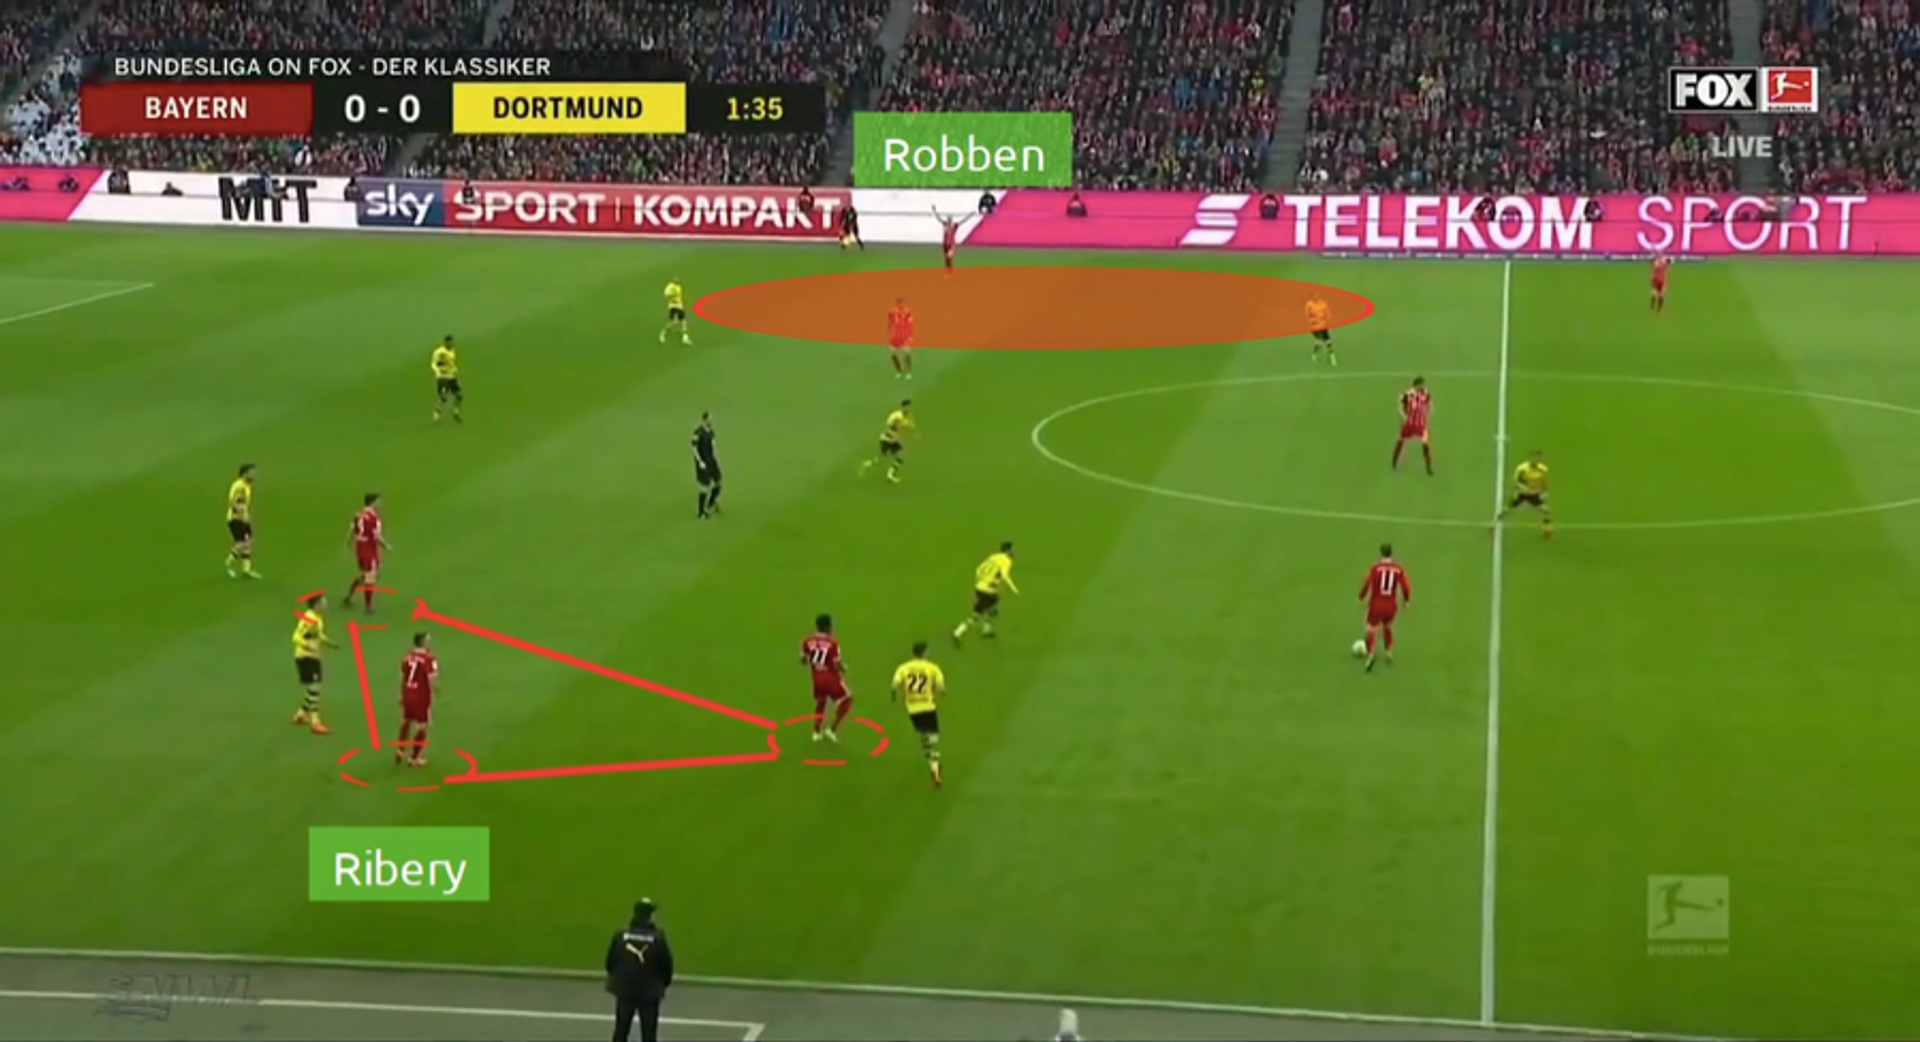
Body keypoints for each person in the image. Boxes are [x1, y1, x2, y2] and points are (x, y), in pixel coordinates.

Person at [605, 899, 674, 1042]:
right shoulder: (658, 938)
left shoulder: (620, 935)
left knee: (621, 1030)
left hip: (625, 989)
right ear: (650, 916)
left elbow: (610, 963)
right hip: (649, 992)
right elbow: (666, 966)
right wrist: (662, 984)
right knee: (649, 1032)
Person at [891, 641, 947, 788]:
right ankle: (935, 767)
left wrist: (895, 695)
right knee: (933, 739)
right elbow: (941, 687)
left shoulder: (904, 668)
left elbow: (895, 684)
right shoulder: (932, 668)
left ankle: (932, 765)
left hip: (913, 709)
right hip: (928, 707)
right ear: (925, 652)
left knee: (924, 738)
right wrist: (939, 692)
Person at [1358, 545, 1410, 673]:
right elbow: (1405, 585)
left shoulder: (1375, 568)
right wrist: (1406, 600)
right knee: (1387, 626)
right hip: (1391, 605)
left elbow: (1367, 583)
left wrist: (1361, 596)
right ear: (1391, 554)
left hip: (1376, 604)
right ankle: (1389, 652)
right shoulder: (1398, 569)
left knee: (1371, 628)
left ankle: (1371, 653)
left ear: (1381, 553)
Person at [953, 541, 1017, 644]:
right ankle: (960, 632)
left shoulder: (993, 557)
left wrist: (982, 580)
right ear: (1008, 550)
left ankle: (985, 629)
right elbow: (1004, 575)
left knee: (989, 608)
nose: (1013, 551)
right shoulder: (1006, 560)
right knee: (983, 613)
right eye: (1012, 549)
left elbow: (979, 569)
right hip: (989, 591)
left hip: (979, 587)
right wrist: (1013, 588)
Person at [1495, 450, 1553, 539]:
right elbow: (1515, 481)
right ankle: (1493, 525)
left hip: (1534, 494)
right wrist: (1523, 489)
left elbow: (1544, 482)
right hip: (1522, 493)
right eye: (1533, 458)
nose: (1535, 460)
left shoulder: (1543, 469)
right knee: (1508, 510)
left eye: (1537, 458)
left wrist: (1544, 492)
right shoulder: (1522, 468)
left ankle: (1547, 530)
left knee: (1545, 511)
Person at [1391, 377, 1433, 475]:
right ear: (1416, 385)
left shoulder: (1425, 393)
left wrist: (1427, 414)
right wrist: (1403, 415)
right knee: (1401, 441)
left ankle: (1428, 467)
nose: (1423, 386)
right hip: (1410, 423)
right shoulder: (1408, 394)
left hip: (1419, 424)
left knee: (1425, 444)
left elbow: (1430, 405)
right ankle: (1394, 463)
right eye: (1421, 385)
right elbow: (1400, 404)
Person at [225, 463, 260, 579]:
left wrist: (247, 517)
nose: (254, 475)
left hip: (243, 518)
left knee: (248, 543)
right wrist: (241, 516)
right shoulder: (239, 486)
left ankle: (247, 570)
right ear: (245, 474)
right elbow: (233, 502)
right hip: (236, 518)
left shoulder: (246, 486)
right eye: (251, 473)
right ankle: (228, 564)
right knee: (241, 543)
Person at [693, 413, 722, 519]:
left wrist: (716, 459)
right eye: (709, 419)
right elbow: (694, 448)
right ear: (704, 420)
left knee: (718, 482)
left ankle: (710, 504)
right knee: (704, 487)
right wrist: (699, 461)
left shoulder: (711, 432)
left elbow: (714, 447)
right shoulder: (698, 432)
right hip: (703, 463)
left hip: (711, 461)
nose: (711, 421)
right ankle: (701, 513)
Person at [431, 335, 462, 423]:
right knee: (443, 397)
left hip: (451, 376)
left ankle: (456, 412)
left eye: (452, 342)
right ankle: (437, 412)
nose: (451, 344)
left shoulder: (452, 351)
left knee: (459, 395)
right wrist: (437, 372)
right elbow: (434, 363)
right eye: (449, 342)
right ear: (445, 342)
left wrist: (455, 369)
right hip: (442, 376)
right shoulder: (439, 352)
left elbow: (451, 364)